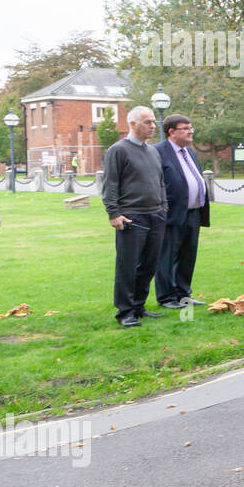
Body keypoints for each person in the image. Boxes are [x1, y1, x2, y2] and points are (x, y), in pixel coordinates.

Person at [101, 106, 167, 328]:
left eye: (153, 122)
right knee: (127, 265)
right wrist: (114, 213)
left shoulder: (153, 151)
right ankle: (125, 311)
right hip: (131, 217)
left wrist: (163, 206)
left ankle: (139, 306)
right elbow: (110, 184)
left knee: (149, 264)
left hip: (155, 215)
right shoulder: (118, 150)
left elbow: (160, 181)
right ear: (132, 124)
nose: (152, 126)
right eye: (147, 122)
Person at [154, 113, 210, 309]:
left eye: (191, 127)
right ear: (171, 132)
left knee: (188, 256)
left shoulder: (190, 152)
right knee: (167, 256)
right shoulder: (158, 152)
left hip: (193, 213)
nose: (190, 131)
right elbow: (155, 182)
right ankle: (166, 297)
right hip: (171, 214)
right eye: (185, 128)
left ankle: (183, 294)